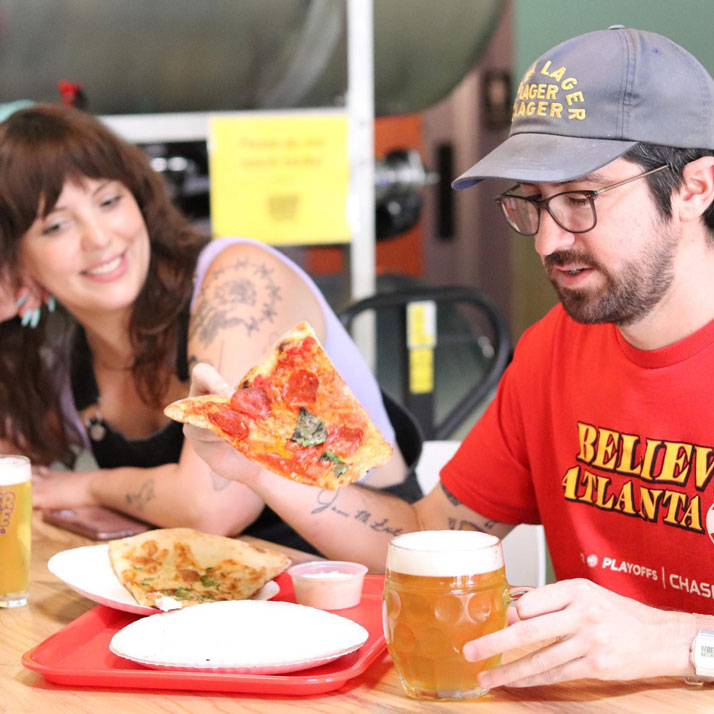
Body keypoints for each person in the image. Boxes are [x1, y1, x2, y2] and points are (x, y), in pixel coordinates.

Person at [185, 26, 714, 687]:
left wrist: (681, 641)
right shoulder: (553, 349)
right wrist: (260, 468)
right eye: (533, 202)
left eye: (582, 199)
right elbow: (416, 536)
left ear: (695, 188)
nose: (549, 240)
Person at [0, 103, 418, 554]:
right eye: (57, 225)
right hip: (234, 595)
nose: (99, 237)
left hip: (375, 579)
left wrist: (88, 487)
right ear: (15, 258)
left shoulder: (235, 282)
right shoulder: (66, 355)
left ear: (139, 200)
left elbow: (213, 506)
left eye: (109, 201)